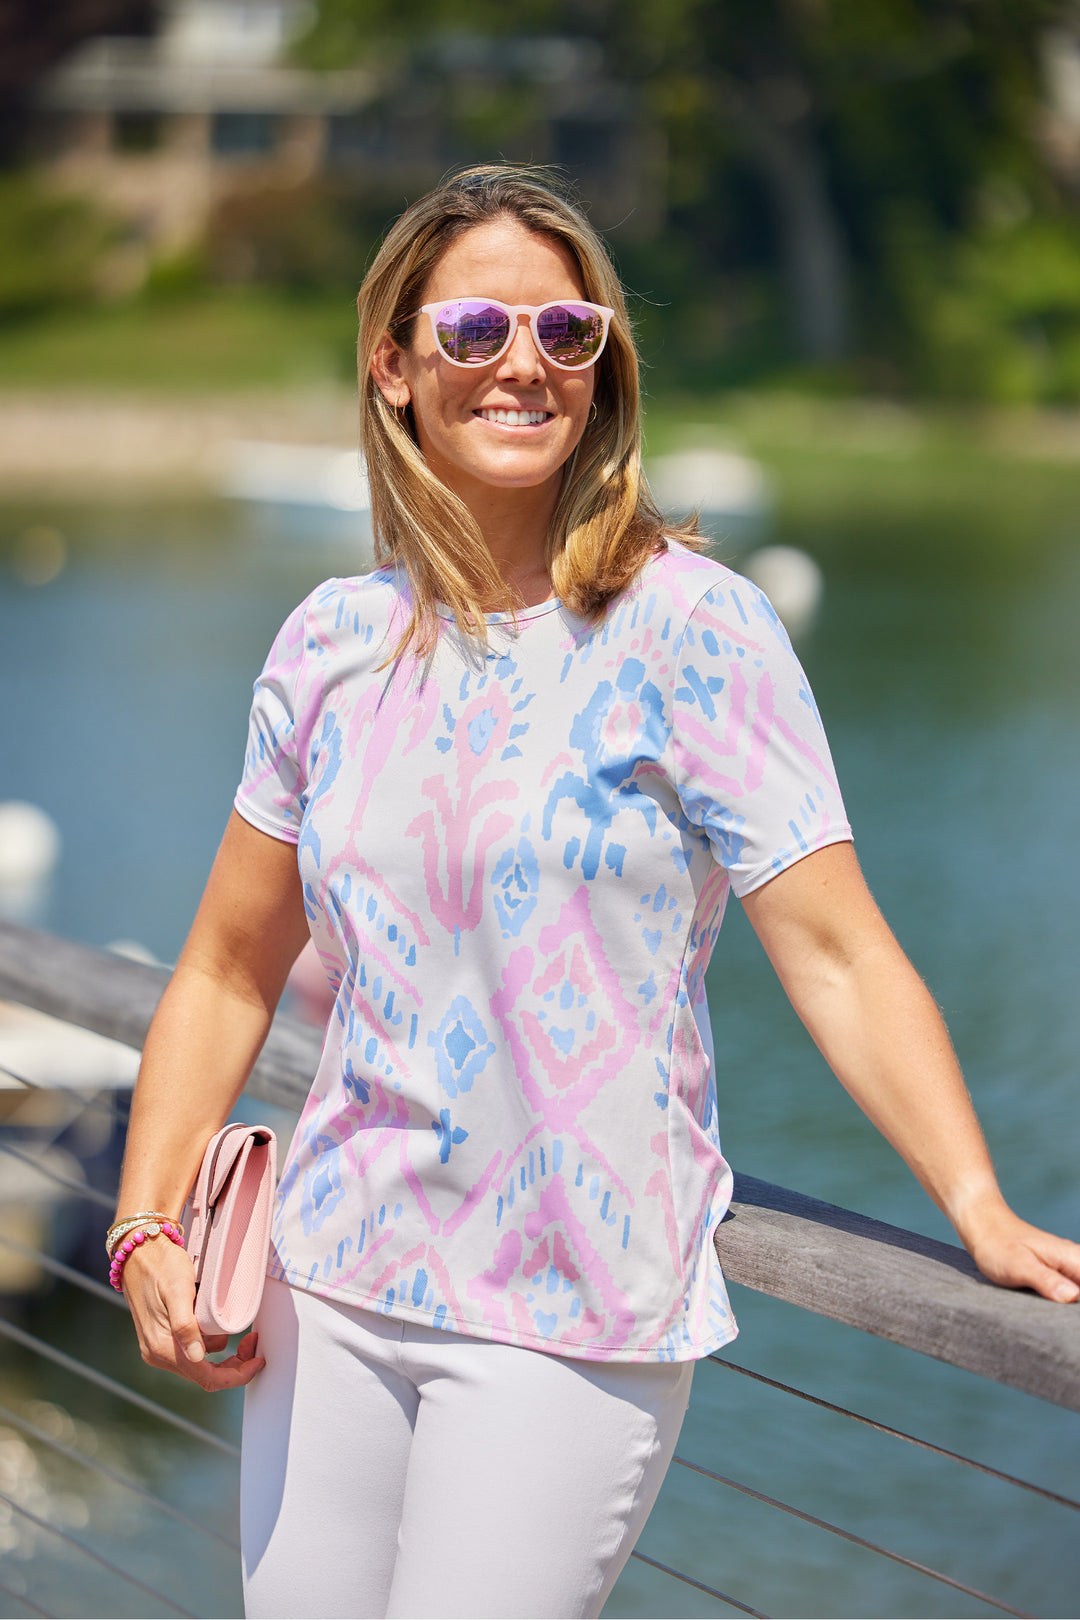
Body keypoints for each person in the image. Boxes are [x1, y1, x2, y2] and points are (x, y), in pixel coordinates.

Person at [112, 165, 1080, 1620]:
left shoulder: (695, 628)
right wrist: (143, 1222)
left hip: (571, 1313)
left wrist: (978, 1202)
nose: (525, 364)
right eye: (476, 329)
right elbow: (226, 967)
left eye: (567, 332)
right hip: (331, 1283)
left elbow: (836, 953)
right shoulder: (331, 643)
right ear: (392, 364)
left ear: (604, 367)